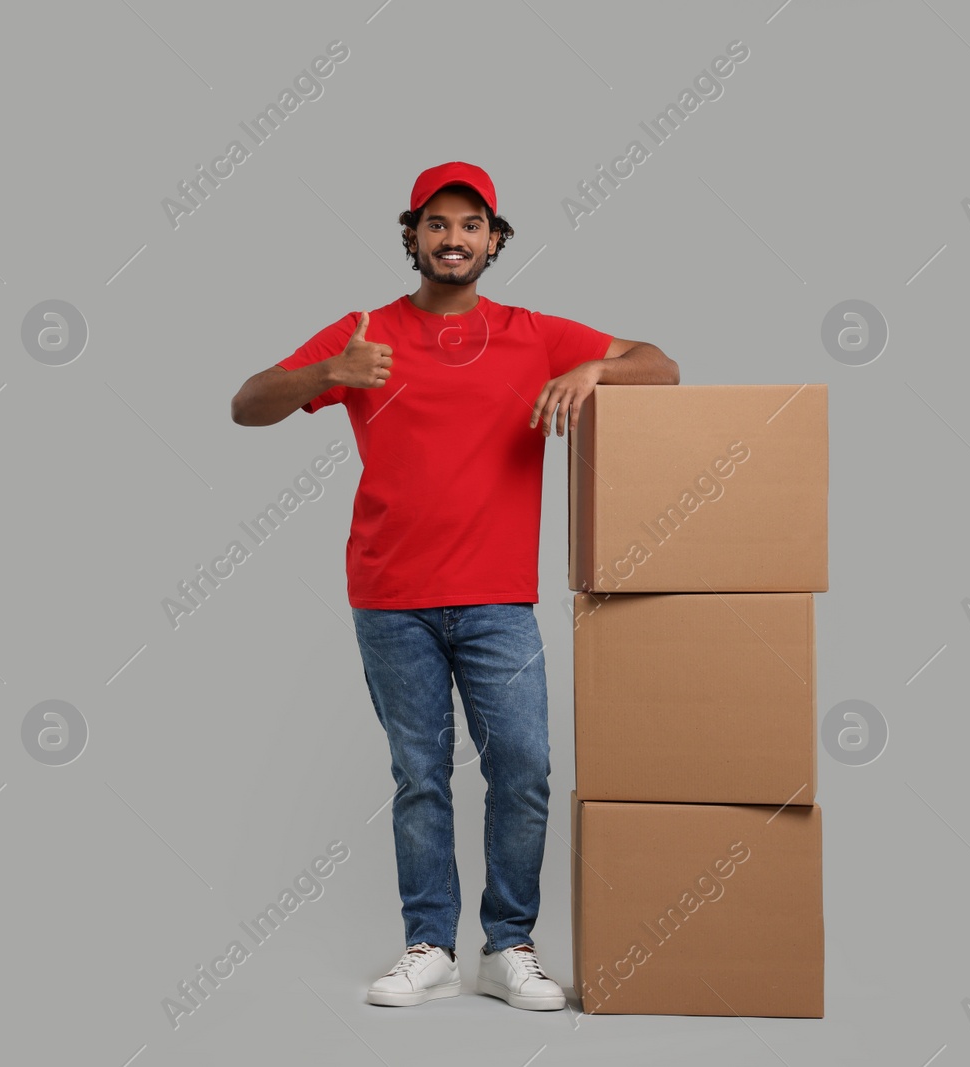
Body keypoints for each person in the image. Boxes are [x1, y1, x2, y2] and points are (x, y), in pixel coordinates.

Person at [229, 162, 679, 1010]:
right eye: (437, 223)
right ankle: (428, 944)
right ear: (412, 236)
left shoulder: (533, 331)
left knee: (523, 766)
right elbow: (247, 403)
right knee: (420, 774)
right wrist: (329, 374)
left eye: (471, 224)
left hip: (496, 599)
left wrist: (596, 372)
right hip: (389, 595)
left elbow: (661, 364)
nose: (453, 238)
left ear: (494, 241)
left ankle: (508, 944)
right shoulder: (364, 330)